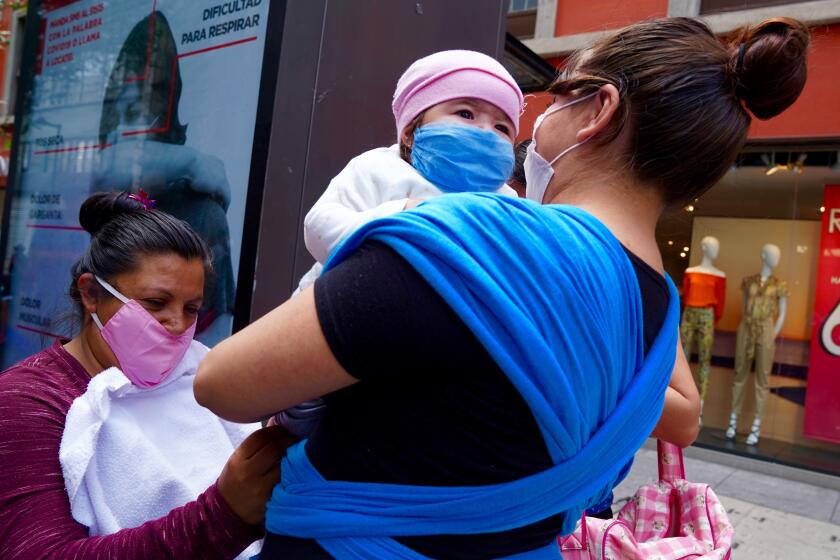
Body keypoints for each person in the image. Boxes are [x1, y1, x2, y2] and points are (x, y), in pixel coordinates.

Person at [195, 16, 808, 560]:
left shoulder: (474, 237)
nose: (527, 128)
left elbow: (223, 383)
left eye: (559, 93)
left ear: (598, 111)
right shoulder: (655, 310)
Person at [0, 192, 287, 559]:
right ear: (90, 294)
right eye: (155, 303)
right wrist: (223, 515)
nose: (177, 323)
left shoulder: (202, 380)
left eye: (191, 308)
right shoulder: (26, 402)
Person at [278, 49, 522, 437]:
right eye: (466, 113)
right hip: (337, 321)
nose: (484, 132)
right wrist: (397, 216)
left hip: (429, 350)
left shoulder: (506, 203)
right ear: (411, 129)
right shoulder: (379, 168)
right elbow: (320, 226)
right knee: (303, 403)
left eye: (502, 128)